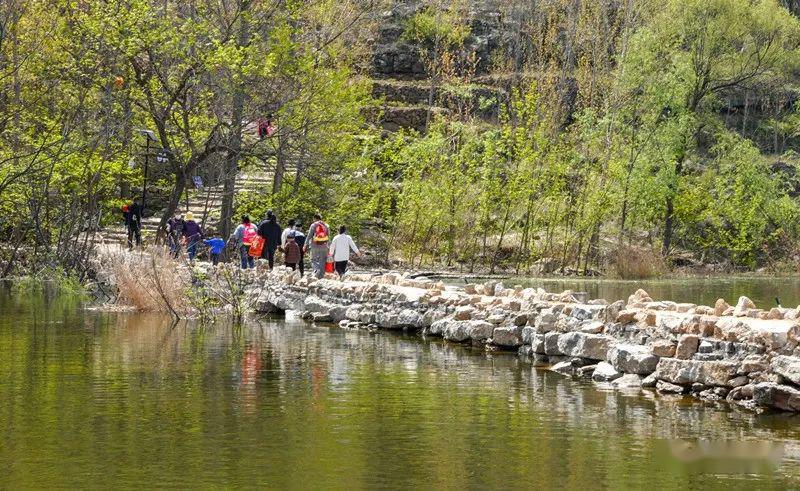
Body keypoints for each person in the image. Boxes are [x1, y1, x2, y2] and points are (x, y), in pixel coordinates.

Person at [305, 213, 330, 279]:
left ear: (314, 218)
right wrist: (328, 246)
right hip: (324, 245)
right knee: (323, 260)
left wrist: (305, 244)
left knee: (313, 259)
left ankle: (316, 270)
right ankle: (321, 276)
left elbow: (309, 236)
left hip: (314, 245)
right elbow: (328, 236)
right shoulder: (326, 225)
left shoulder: (313, 225)